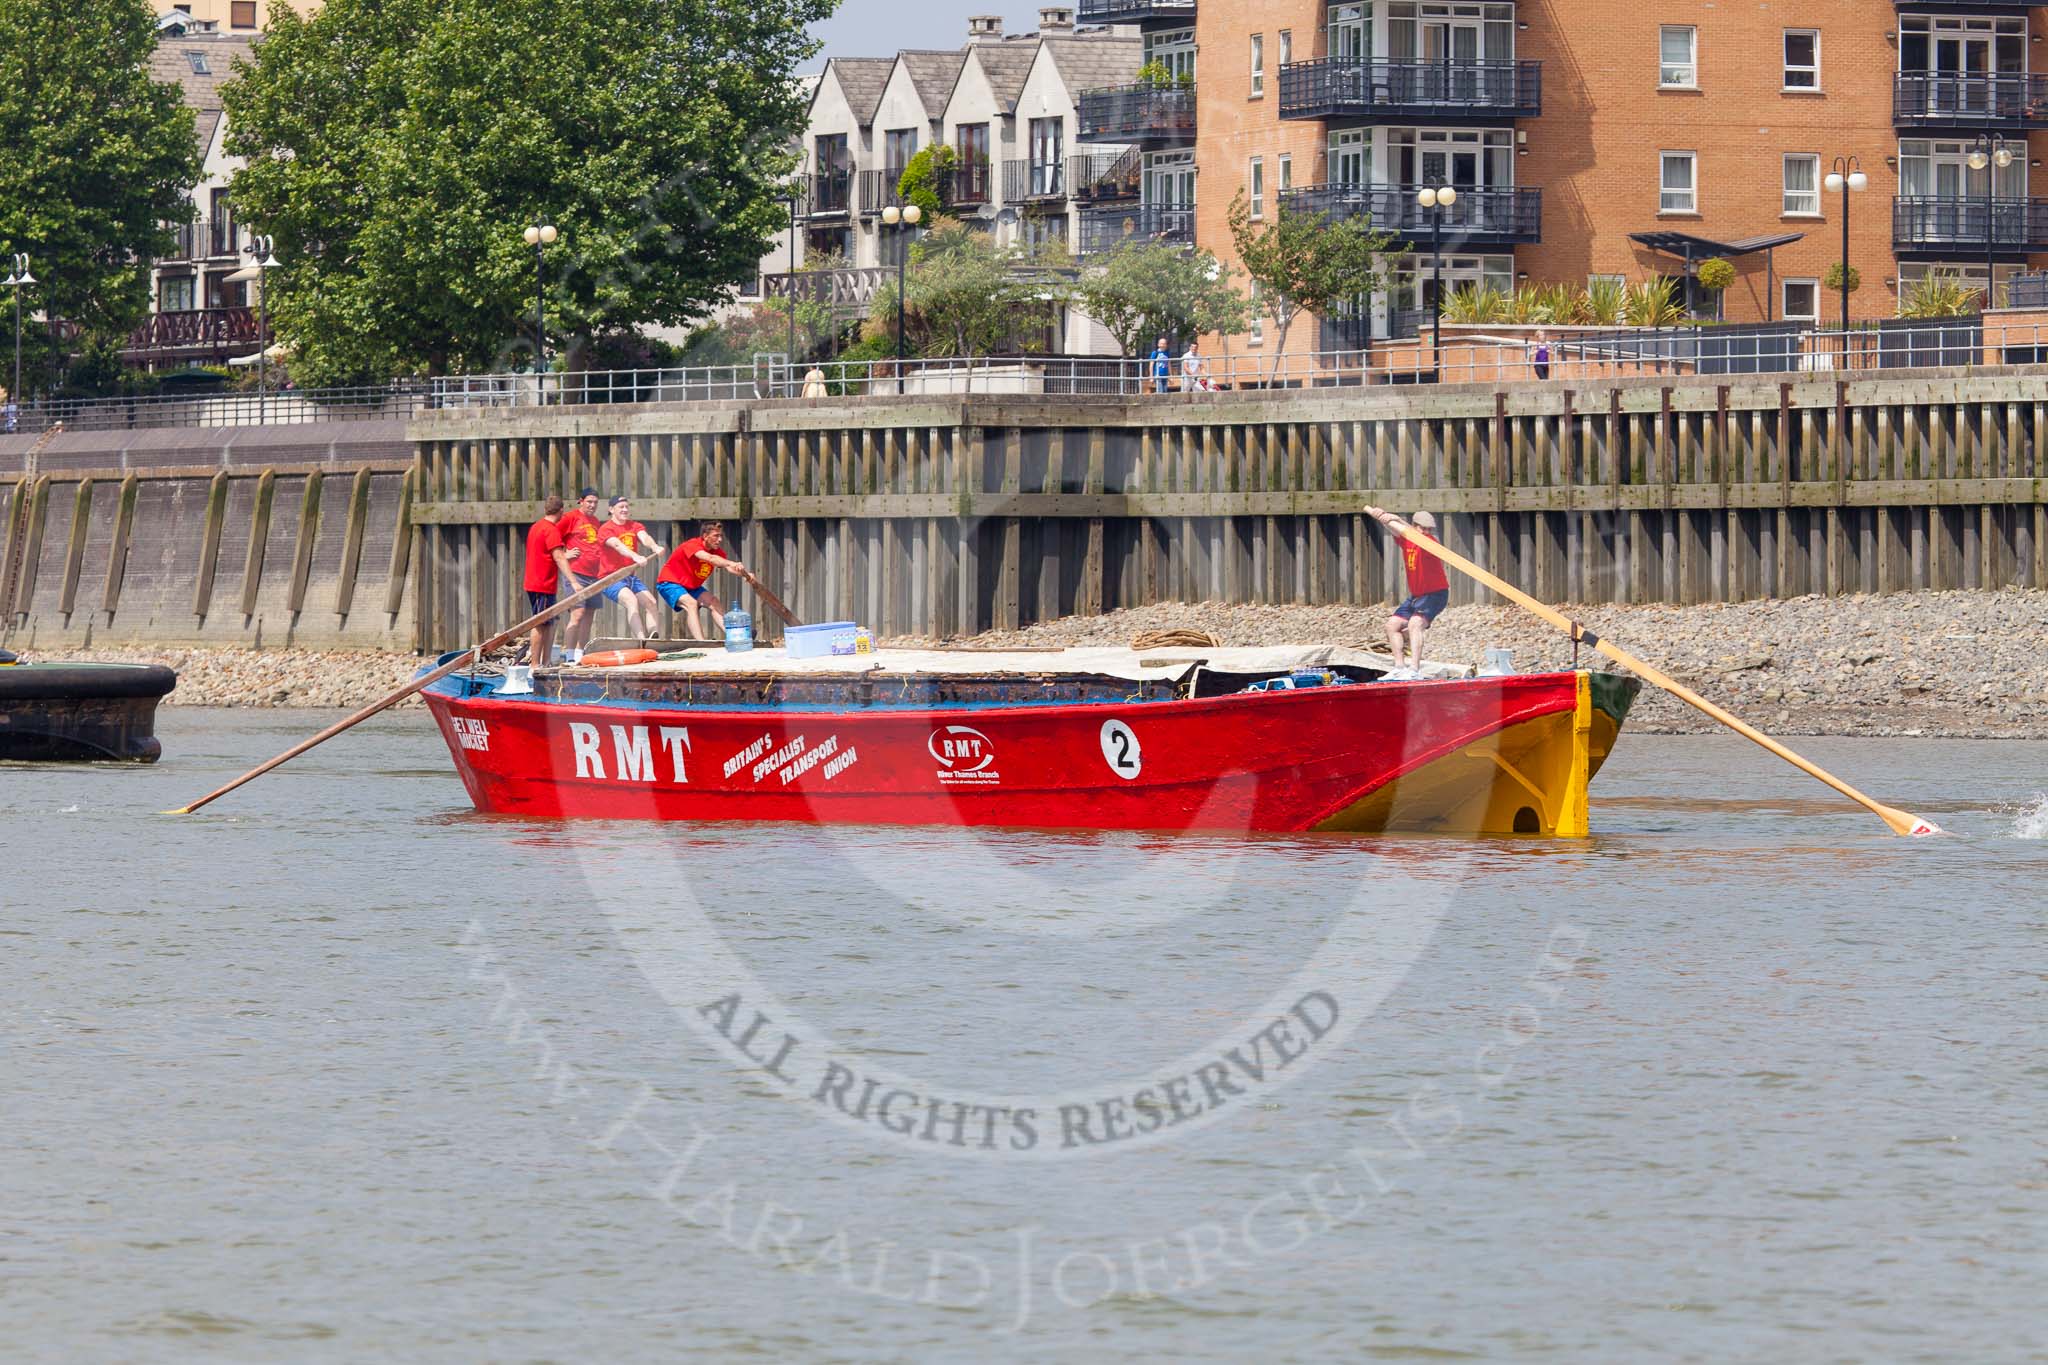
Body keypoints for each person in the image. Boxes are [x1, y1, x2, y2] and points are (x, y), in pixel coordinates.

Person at [1382, 510, 1451, 680]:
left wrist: (1397, 519)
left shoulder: (1430, 543)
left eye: (1430, 529)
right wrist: (1383, 518)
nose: (1427, 532)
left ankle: (1415, 670)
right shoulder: (1407, 540)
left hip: (1435, 594)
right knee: (1392, 625)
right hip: (1417, 594)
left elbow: (1404, 529)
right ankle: (1399, 667)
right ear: (1414, 526)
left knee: (1415, 624)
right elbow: (1394, 529)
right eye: (1423, 528)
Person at [657, 520, 747, 641]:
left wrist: (745, 574)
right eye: (716, 536)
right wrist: (732, 562)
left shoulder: (718, 552)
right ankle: (702, 643)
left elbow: (729, 567)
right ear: (705, 536)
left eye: (721, 536)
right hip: (670, 582)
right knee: (691, 604)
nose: (720, 539)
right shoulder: (692, 545)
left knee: (714, 602)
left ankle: (735, 637)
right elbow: (710, 558)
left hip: (691, 586)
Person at [595, 496, 664, 642]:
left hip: (629, 577)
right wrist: (635, 557)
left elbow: (645, 538)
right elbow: (617, 545)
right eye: (621, 507)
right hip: (611, 578)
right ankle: (641, 640)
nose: (625, 510)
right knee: (631, 600)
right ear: (611, 510)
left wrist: (654, 546)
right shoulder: (605, 529)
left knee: (651, 602)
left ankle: (654, 638)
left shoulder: (634, 525)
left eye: (627, 507)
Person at [519, 494, 576, 664]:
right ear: (561, 511)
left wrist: (565, 555)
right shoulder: (551, 530)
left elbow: (546, 554)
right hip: (541, 584)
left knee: (550, 622)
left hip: (542, 584)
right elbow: (558, 557)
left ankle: (546, 662)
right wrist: (574, 581)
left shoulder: (536, 527)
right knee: (541, 623)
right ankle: (535, 666)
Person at [555, 488, 603, 657]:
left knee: (589, 614)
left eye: (595, 502)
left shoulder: (596, 521)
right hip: (575, 573)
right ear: (581, 501)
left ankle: (580, 653)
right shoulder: (571, 517)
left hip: (594, 575)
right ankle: (569, 655)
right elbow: (553, 537)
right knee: (578, 613)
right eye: (589, 501)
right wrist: (564, 554)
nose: (592, 505)